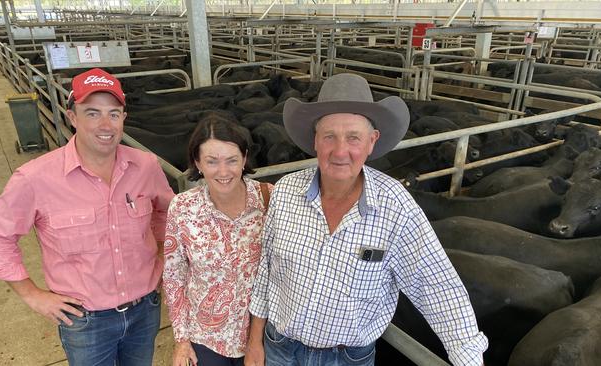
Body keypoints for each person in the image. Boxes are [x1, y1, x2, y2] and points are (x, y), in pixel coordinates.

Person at [245, 73, 488, 366]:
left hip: (346, 359)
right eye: (329, 136)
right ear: (315, 141)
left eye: (353, 138)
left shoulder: (396, 206)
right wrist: (255, 341)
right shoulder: (285, 191)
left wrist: (468, 358)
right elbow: (266, 270)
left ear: (372, 141)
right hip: (280, 349)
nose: (340, 151)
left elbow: (437, 288)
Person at [0, 68, 174, 366]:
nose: (105, 124)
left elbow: (166, 211)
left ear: (124, 117)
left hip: (144, 309)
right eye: (92, 113)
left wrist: (160, 253)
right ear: (72, 117)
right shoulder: (35, 178)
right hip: (86, 320)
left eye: (114, 113)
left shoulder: (145, 165)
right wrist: (32, 294)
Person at [163, 117, 273, 366]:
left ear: (244, 159)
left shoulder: (269, 200)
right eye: (212, 161)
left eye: (232, 160)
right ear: (197, 163)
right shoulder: (182, 207)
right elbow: (174, 276)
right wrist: (181, 340)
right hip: (205, 338)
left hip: (260, 337)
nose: (223, 172)